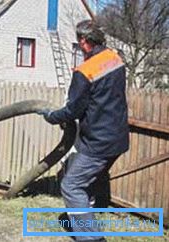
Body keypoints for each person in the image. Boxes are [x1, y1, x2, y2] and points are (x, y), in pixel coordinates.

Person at [40, 20, 129, 242]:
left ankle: (91, 238)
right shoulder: (115, 59)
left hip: (97, 142)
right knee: (84, 181)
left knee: (71, 185)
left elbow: (72, 110)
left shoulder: (84, 71)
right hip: (117, 138)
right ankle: (86, 216)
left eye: (79, 42)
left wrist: (52, 116)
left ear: (84, 41)